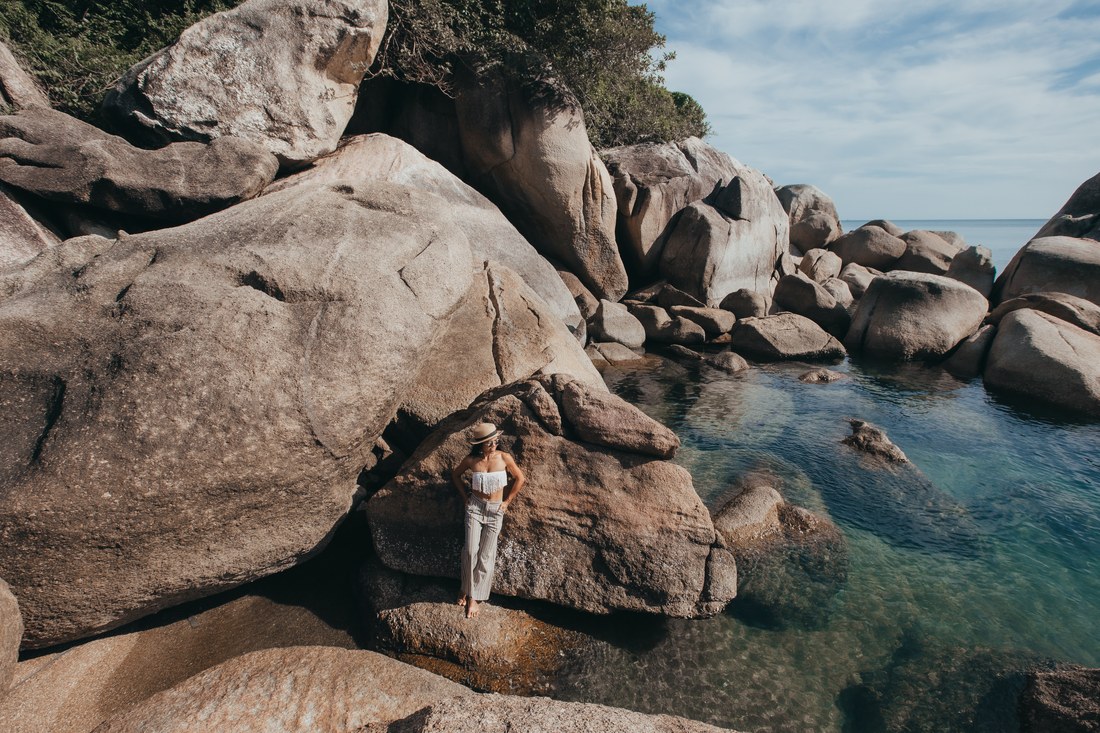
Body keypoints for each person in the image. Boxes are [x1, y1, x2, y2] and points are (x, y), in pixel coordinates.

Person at [450, 421, 525, 619]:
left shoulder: (504, 458)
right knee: (469, 551)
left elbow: (520, 478)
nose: (494, 445)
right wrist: (465, 498)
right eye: (489, 443)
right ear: (480, 445)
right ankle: (465, 587)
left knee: (485, 555)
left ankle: (473, 596)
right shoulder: (471, 460)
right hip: (474, 507)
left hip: (494, 510)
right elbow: (455, 475)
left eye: (495, 441)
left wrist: (507, 501)